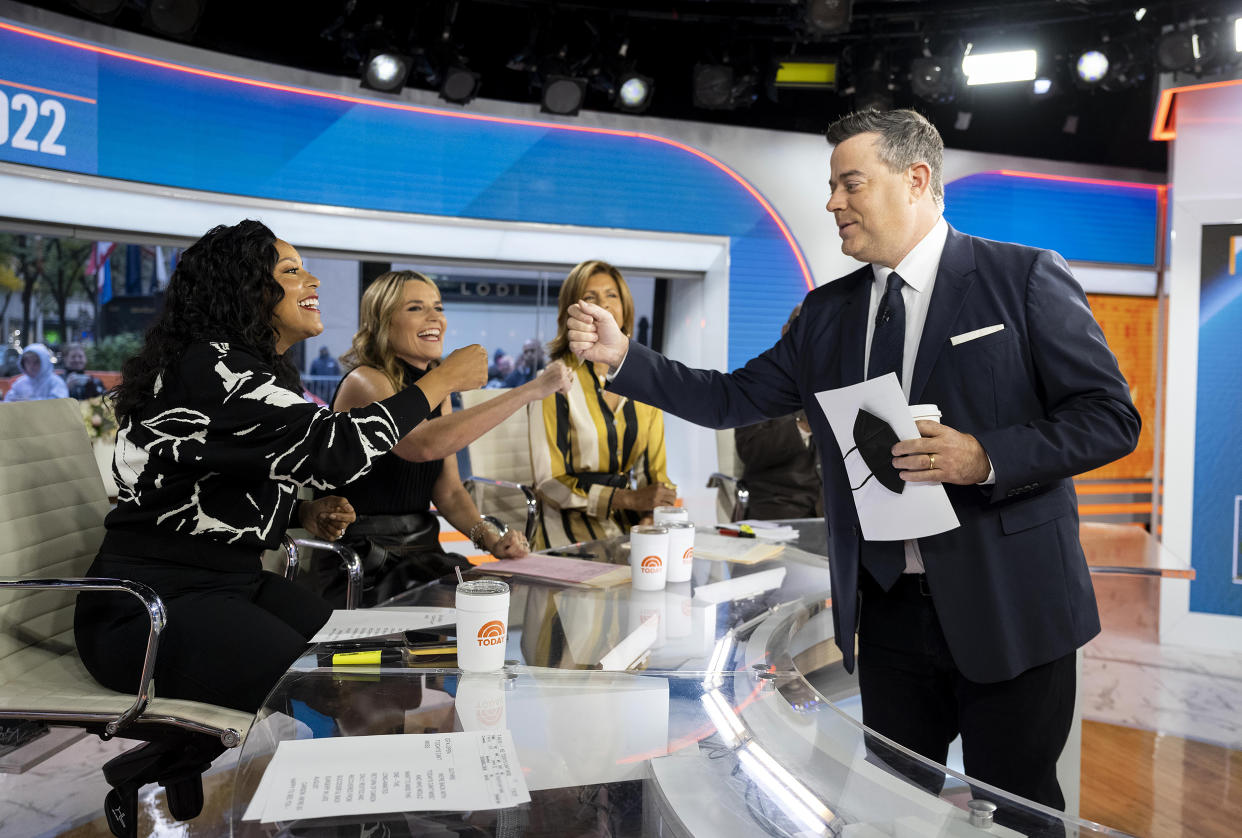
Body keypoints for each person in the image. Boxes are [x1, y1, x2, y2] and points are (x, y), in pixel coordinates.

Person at [566, 110, 1140, 812]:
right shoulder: (825, 314)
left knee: (1018, 814)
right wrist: (623, 356)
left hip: (1013, 604)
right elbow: (728, 398)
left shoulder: (1020, 279)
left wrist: (983, 456)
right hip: (890, 613)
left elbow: (1110, 418)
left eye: (850, 184)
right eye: (831, 186)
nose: (833, 202)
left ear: (915, 179)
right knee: (893, 811)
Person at [72, 220, 487, 714]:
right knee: (344, 691)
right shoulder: (215, 368)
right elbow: (336, 451)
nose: (313, 281)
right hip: (151, 607)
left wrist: (300, 514)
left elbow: (205, 481)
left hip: (230, 583)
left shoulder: (240, 367)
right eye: (292, 271)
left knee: (378, 668)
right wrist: (441, 382)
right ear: (245, 287)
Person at [324, 270, 573, 605]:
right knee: (468, 610)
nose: (434, 318)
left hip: (422, 552)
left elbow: (449, 490)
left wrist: (491, 538)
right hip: (365, 559)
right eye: (415, 308)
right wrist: (529, 391)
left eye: (438, 307)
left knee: (497, 598)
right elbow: (422, 444)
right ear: (383, 321)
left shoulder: (434, 388)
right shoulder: (367, 380)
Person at [532, 259, 676, 548]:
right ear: (570, 314)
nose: (604, 306)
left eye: (612, 295)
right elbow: (550, 483)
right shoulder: (553, 380)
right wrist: (627, 498)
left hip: (629, 531)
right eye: (589, 298)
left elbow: (656, 478)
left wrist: (652, 513)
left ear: (625, 309)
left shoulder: (645, 383)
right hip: (567, 535)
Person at [734, 305, 823, 520]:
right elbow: (750, 449)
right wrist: (804, 427)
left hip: (834, 512)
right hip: (778, 509)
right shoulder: (760, 379)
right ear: (785, 331)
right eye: (802, 327)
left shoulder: (835, 378)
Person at [2, 343, 69, 402]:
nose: (31, 366)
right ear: (22, 363)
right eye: (28, 362)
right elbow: (8, 401)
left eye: (36, 362)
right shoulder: (20, 383)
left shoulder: (55, 382)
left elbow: (60, 403)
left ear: (44, 363)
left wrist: (28, 402)